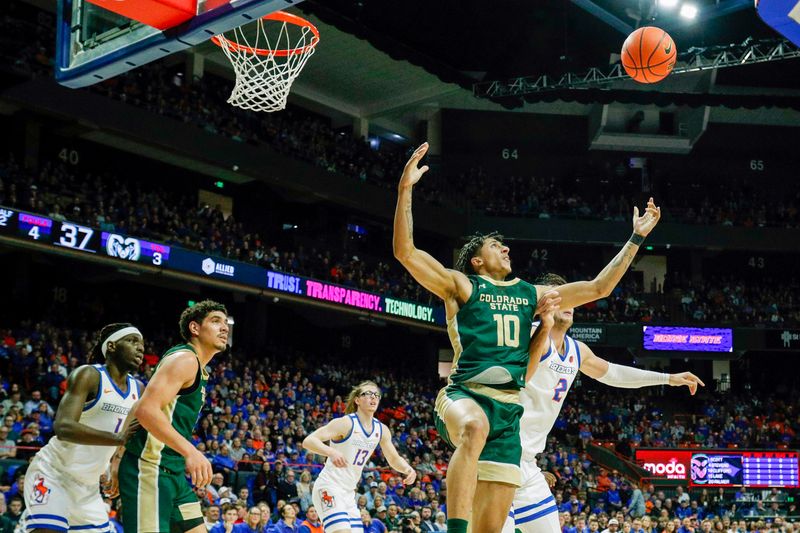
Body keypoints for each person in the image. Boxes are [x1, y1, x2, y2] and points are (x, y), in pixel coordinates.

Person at [393, 142, 662, 533]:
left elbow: (599, 288)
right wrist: (405, 190)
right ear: (477, 260)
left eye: (505, 245)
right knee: (474, 427)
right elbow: (406, 252)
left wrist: (635, 239)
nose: (504, 247)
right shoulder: (462, 286)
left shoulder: (531, 294)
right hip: (465, 395)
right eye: (493, 245)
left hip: (508, 416)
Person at [503, 273, 704, 533]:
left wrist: (668, 378)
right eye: (559, 296)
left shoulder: (577, 350)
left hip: (527, 463)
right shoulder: (525, 336)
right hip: (500, 455)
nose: (568, 303)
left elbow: (614, 374)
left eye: (570, 297)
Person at [21, 323, 144, 533]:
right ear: (112, 346)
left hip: (88, 488)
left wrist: (115, 464)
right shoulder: (89, 375)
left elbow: (129, 435)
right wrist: (118, 438)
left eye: (141, 344)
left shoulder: (138, 388)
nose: (140, 348)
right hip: (53, 473)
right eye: (132, 341)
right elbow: (63, 426)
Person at [119, 300, 229, 533]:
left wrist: (116, 458)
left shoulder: (199, 367)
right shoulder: (185, 359)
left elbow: (139, 404)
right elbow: (146, 410)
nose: (224, 328)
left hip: (174, 473)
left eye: (225, 323)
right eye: (215, 321)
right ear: (195, 328)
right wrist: (191, 451)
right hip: (150, 469)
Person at [302, 381, 415, 533]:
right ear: (357, 400)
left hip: (349, 494)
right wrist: (332, 452)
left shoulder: (381, 430)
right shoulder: (346, 423)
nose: (373, 397)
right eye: (368, 394)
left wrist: (408, 469)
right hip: (329, 487)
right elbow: (309, 441)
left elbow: (394, 459)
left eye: (376, 395)